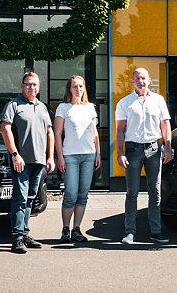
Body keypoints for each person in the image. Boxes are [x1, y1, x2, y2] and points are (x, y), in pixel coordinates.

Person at [114, 68, 172, 244]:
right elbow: (120, 130)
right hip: (133, 150)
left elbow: (165, 125)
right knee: (132, 192)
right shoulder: (125, 103)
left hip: (154, 149)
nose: (141, 81)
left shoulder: (158, 100)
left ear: (149, 80)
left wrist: (167, 148)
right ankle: (130, 232)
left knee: (155, 191)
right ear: (132, 81)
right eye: (137, 78)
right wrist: (120, 153)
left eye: (144, 78)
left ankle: (156, 231)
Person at [1, 72, 55, 254]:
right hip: (21, 161)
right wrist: (15, 154)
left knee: (31, 199)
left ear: (39, 87)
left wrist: (50, 157)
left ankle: (24, 233)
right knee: (20, 198)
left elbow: (50, 132)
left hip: (39, 161)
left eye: (35, 85)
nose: (32, 87)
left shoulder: (42, 108)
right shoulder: (14, 105)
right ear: (22, 85)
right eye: (28, 84)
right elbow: (5, 128)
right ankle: (16, 237)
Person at [54, 75, 100, 243]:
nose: (78, 89)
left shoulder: (90, 108)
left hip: (89, 155)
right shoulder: (63, 108)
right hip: (70, 156)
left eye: (81, 86)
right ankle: (65, 229)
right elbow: (57, 134)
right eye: (75, 86)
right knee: (71, 194)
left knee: (83, 195)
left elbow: (94, 134)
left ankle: (76, 229)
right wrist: (60, 157)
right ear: (69, 89)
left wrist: (98, 154)